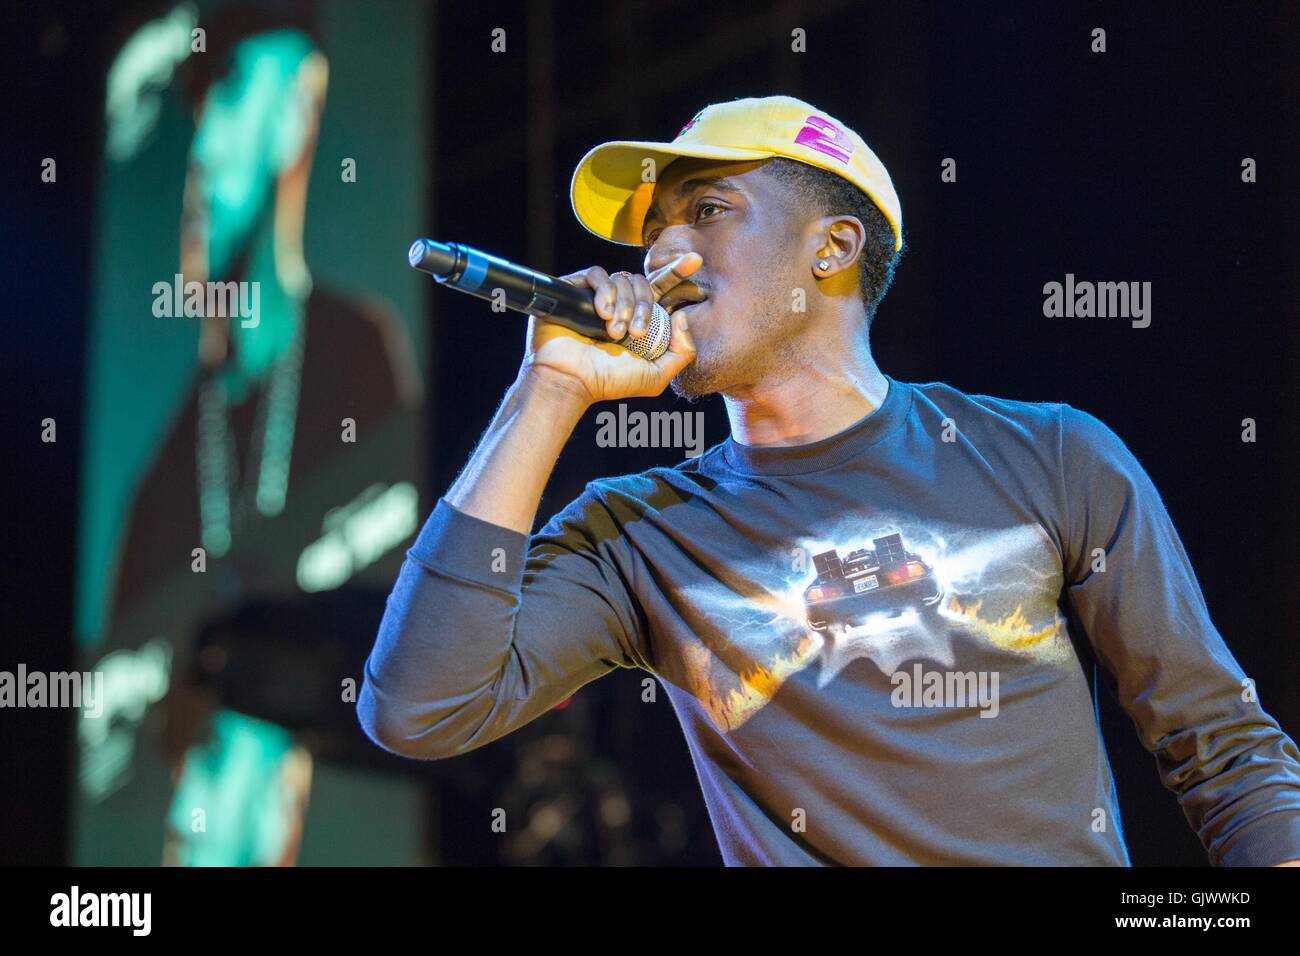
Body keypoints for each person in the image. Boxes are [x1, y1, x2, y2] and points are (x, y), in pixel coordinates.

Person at [359, 95, 1300, 866]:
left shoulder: (1050, 456)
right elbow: (417, 709)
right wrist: (550, 387)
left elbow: (1222, 748)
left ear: (834, 248)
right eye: (653, 230)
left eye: (708, 211)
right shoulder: (640, 533)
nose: (661, 253)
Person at [89, 8, 422, 866]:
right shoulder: (159, 488)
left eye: (230, 90)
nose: (198, 153)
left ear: (300, 104)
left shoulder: (364, 361)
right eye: (191, 111)